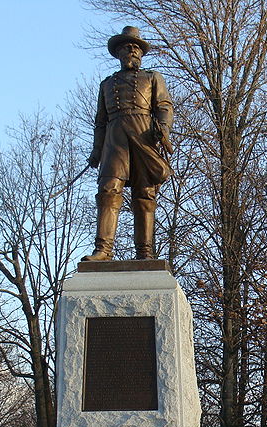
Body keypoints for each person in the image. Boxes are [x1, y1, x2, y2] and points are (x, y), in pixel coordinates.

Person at [83, 26, 173, 261]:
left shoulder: (152, 78)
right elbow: (100, 122)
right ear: (119, 53)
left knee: (145, 192)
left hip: (143, 135)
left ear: (141, 54)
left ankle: (145, 252)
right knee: (108, 189)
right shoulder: (107, 84)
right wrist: (96, 150)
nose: (131, 51)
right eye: (126, 48)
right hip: (115, 139)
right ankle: (103, 249)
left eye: (135, 48)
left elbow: (164, 106)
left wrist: (162, 128)